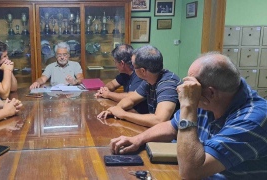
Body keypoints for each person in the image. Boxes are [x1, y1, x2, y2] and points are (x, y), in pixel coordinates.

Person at [110, 52, 267, 179]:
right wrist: (137, 140)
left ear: (210, 92)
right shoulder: (212, 99)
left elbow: (190, 172)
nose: (181, 88)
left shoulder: (252, 120)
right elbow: (171, 126)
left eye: (190, 85)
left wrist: (188, 105)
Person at [97, 45, 181, 128]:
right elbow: (130, 99)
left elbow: (159, 120)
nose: (131, 68)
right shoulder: (149, 80)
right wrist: (113, 110)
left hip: (174, 137)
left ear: (143, 71)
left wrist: (123, 114)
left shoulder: (168, 83)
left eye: (133, 66)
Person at [94, 44, 148, 114]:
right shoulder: (125, 74)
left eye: (115, 62)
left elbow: (130, 97)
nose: (115, 65)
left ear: (122, 63)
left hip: (139, 115)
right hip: (128, 111)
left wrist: (108, 94)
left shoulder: (139, 74)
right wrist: (104, 89)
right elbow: (112, 84)